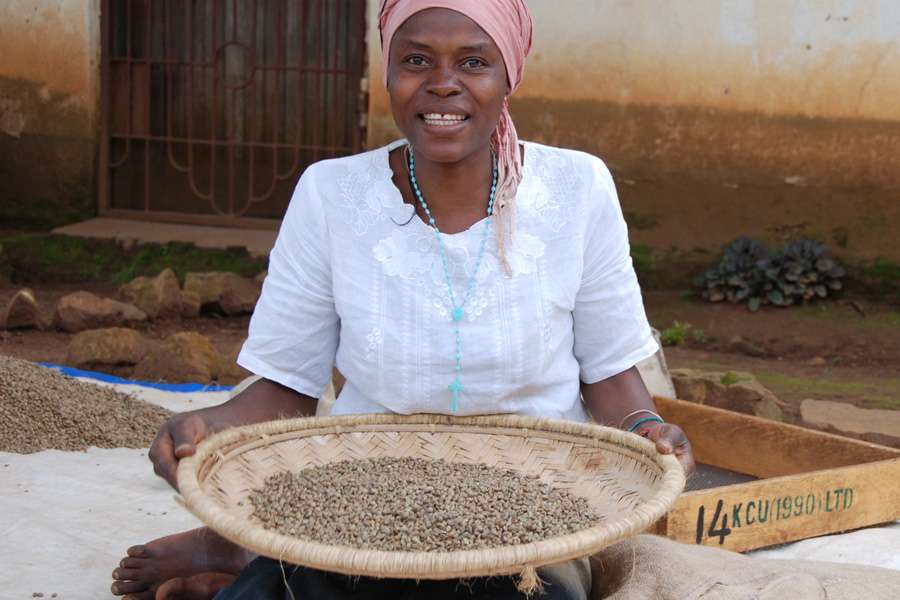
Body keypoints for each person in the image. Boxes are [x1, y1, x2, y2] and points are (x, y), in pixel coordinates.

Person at [111, 1, 695, 598]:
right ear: (388, 72)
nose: (443, 83)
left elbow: (609, 372)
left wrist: (647, 426)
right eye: (415, 60)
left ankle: (238, 555)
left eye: (474, 60)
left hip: (535, 496)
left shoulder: (578, 189)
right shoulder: (330, 195)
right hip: (360, 483)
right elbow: (287, 384)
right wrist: (207, 426)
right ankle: (249, 555)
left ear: (509, 75)